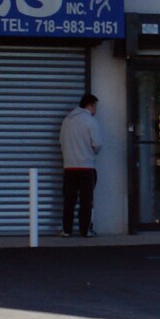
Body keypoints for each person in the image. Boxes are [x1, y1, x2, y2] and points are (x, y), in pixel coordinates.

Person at [59, 93, 106, 237]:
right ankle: (85, 230)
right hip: (86, 166)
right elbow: (97, 144)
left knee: (69, 200)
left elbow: (61, 141)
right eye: (95, 106)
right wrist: (92, 151)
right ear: (90, 105)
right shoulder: (90, 121)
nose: (95, 110)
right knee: (86, 201)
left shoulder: (67, 120)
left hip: (69, 166)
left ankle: (67, 230)